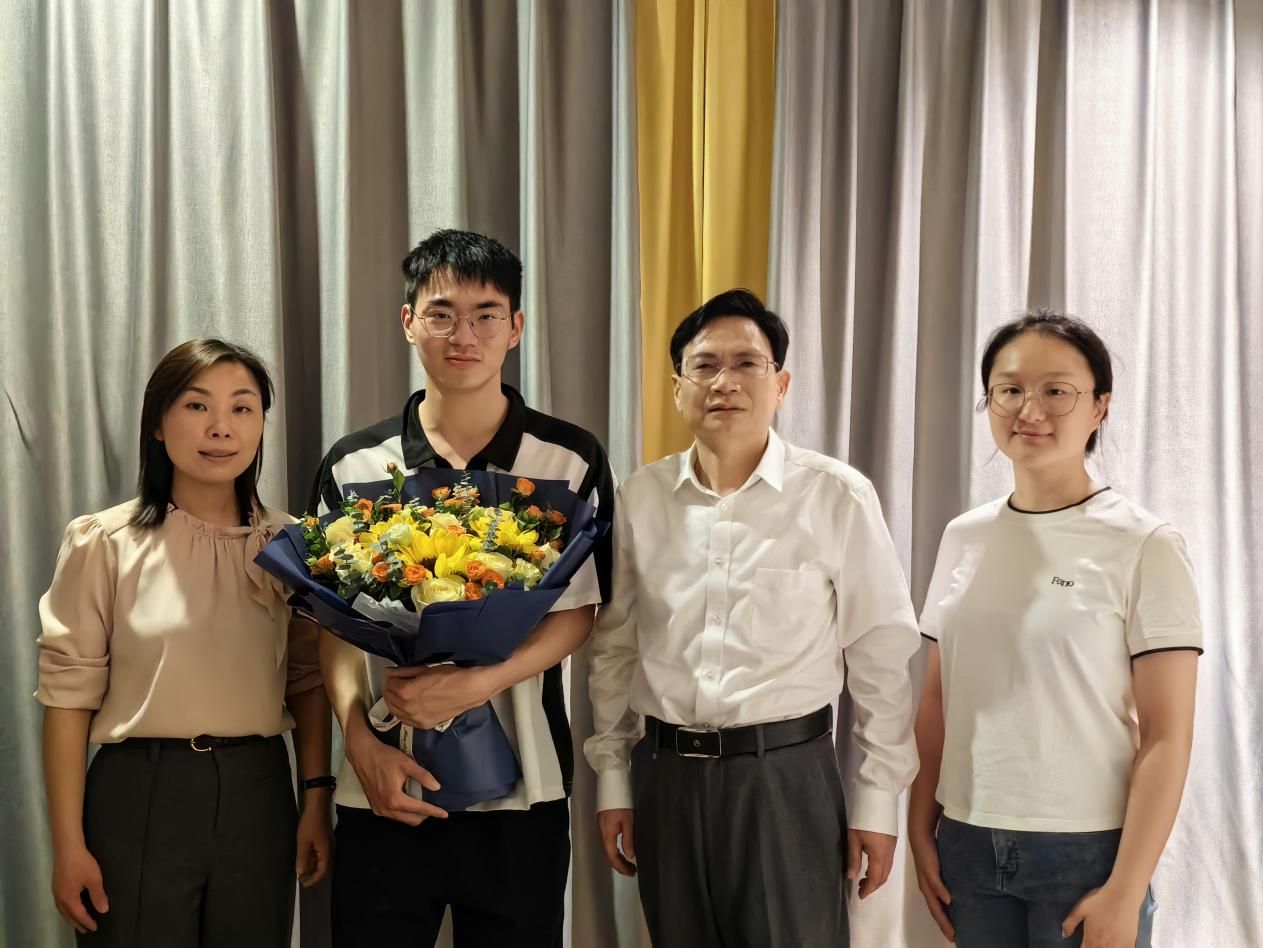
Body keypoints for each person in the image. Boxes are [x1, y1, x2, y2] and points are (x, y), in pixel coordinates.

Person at [584, 288, 921, 947]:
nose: (725, 382)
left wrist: (878, 800)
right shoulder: (640, 498)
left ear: (781, 385)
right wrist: (615, 780)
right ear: (677, 387)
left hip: (786, 780)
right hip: (666, 779)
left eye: (747, 364)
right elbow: (615, 647)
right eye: (705, 366)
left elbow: (880, 657)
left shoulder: (835, 496)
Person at [312, 229, 615, 947]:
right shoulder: (357, 463)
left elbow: (581, 611)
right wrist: (357, 741)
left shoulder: (567, 458)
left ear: (515, 327)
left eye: (486, 315)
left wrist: (480, 683)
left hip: (526, 784)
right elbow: (329, 625)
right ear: (408, 321)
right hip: (382, 782)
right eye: (441, 314)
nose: (464, 335)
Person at [908, 310, 1202, 948]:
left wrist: (1127, 888)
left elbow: (1168, 736)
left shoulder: (1146, 543)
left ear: (1100, 406)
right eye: (1009, 389)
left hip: (1088, 852)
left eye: (1056, 391)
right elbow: (937, 699)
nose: (1029, 409)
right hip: (967, 842)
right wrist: (919, 826)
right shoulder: (963, 536)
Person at [37, 339, 333, 948]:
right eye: (197, 406)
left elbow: (308, 681)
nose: (221, 427)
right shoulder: (105, 543)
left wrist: (315, 797)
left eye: (242, 408)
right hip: (140, 791)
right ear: (157, 423)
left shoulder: (293, 546)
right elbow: (68, 698)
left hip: (258, 792)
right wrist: (67, 845)